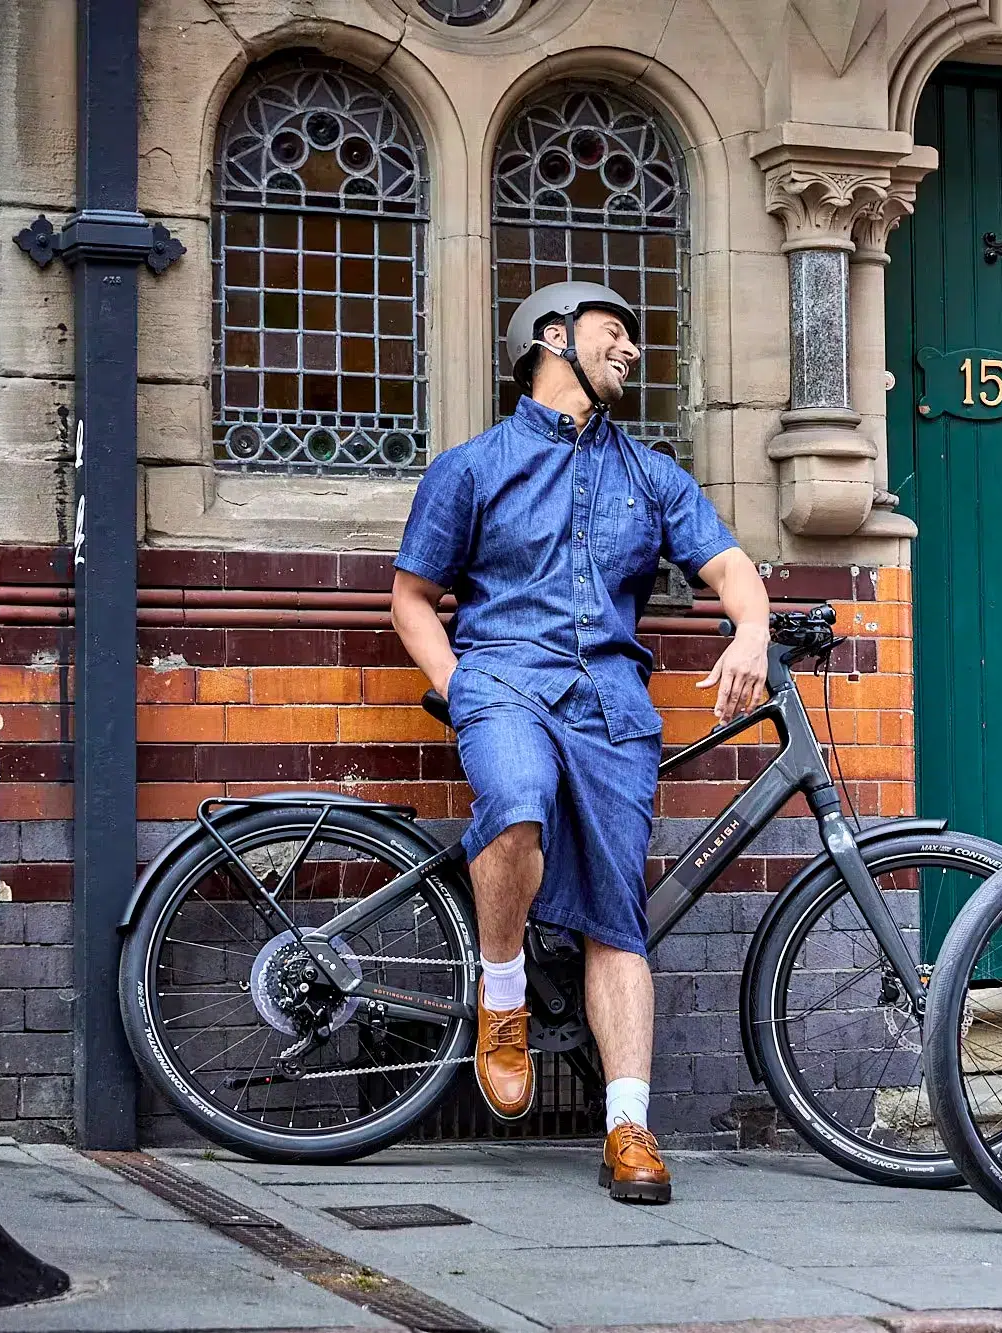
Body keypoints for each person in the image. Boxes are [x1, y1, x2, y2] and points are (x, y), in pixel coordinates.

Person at [390, 281, 772, 1205]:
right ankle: (503, 992)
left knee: (616, 913)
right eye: (615, 331)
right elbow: (412, 600)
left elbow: (729, 567)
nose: (631, 349)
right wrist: (462, 686)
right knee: (516, 802)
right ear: (552, 337)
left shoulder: (651, 475)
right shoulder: (473, 467)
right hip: (504, 682)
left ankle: (628, 1126)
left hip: (611, 709)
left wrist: (753, 631)